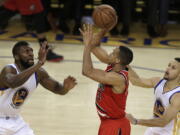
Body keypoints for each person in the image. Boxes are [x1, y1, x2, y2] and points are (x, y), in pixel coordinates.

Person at [0, 41, 77, 135]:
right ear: (16, 56)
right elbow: (13, 83)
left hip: (15, 120)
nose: (30, 54)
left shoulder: (38, 72)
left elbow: (57, 89)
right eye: (26, 51)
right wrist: (39, 63)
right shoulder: (9, 69)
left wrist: (66, 88)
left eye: (31, 51)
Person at [80, 24, 133, 135]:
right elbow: (95, 46)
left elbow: (87, 71)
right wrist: (104, 28)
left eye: (113, 53)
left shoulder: (118, 78)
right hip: (108, 122)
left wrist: (87, 46)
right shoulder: (113, 65)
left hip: (115, 125)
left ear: (117, 60)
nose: (109, 53)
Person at [126, 58, 180, 135]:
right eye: (169, 65)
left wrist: (136, 121)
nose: (168, 68)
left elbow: (163, 122)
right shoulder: (158, 81)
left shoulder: (177, 96)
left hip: (169, 132)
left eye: (173, 68)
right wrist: (126, 66)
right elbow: (136, 81)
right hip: (153, 128)